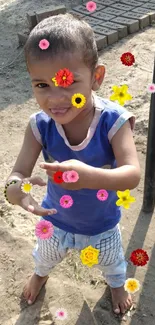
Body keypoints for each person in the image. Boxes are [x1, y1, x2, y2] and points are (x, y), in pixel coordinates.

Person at [5, 13, 140, 315]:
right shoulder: (40, 125)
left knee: (112, 261)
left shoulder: (112, 122)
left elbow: (132, 174)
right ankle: (41, 274)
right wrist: (14, 190)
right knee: (44, 256)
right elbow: (17, 174)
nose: (55, 98)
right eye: (41, 85)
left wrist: (90, 177)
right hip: (55, 220)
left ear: (97, 77)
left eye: (66, 80)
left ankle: (116, 283)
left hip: (102, 225)